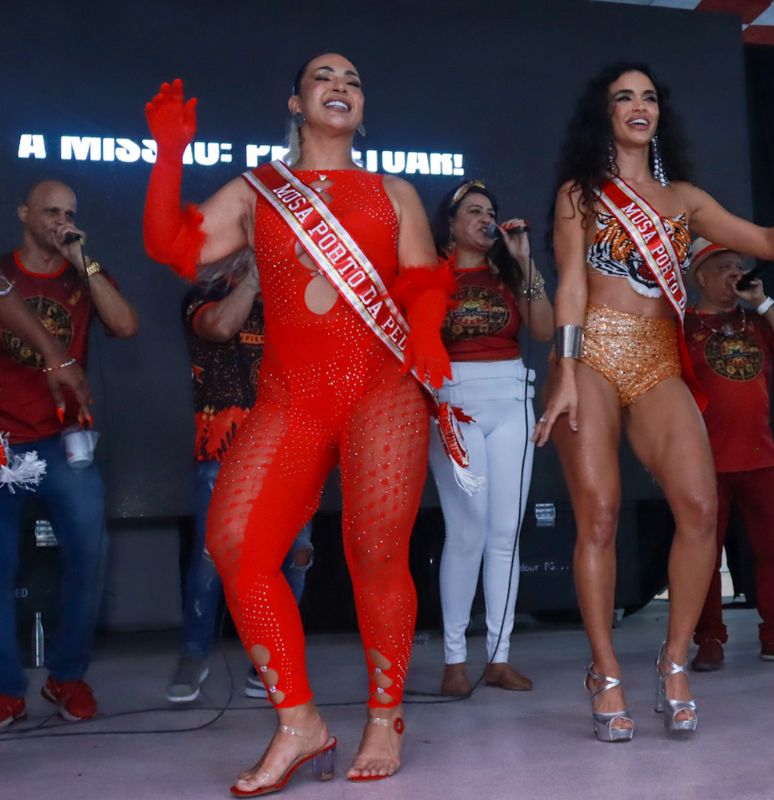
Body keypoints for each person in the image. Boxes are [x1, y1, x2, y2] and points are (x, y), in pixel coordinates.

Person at [142, 54, 456, 792]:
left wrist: (428, 330)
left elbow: (422, 279)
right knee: (235, 544)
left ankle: (386, 716)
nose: (341, 86)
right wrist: (169, 155)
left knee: (376, 553)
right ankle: (299, 723)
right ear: (296, 102)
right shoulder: (259, 191)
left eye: (353, 79)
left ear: (362, 107)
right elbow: (172, 245)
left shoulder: (394, 192)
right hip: (292, 398)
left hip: (383, 390)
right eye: (324, 77)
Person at [534, 63, 774, 741]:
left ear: (660, 114)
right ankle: (604, 671)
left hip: (658, 355)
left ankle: (674, 661)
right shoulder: (581, 193)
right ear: (604, 113)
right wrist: (563, 369)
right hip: (591, 351)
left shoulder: (683, 198)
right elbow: (570, 285)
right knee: (599, 515)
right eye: (624, 96)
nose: (639, 105)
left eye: (649, 97)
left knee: (701, 508)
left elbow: (764, 241)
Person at [0, 180, 138, 727]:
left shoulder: (82, 276)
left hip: (62, 443)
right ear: (24, 213)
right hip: (3, 443)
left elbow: (125, 324)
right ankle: (6, 689)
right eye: (51, 212)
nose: (61, 220)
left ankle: (67, 676)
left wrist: (83, 261)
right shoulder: (4, 273)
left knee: (89, 555)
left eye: (69, 213)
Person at [165, 249, 315, 704]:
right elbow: (221, 327)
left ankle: (269, 658)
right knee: (212, 557)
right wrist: (253, 278)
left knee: (295, 555)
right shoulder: (203, 295)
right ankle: (194, 654)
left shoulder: (291, 300)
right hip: (224, 446)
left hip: (288, 444)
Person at [427, 180, 552, 696]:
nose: (485, 218)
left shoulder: (508, 274)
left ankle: (498, 657)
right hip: (455, 402)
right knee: (468, 530)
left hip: (511, 399)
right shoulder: (429, 273)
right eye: (474, 211)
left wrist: (525, 261)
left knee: (505, 533)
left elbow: (543, 329)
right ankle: (455, 660)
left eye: (490, 212)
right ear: (451, 223)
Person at [682, 240, 774, 672]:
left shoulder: (756, 320)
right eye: (724, 267)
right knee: (705, 556)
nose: (735, 273)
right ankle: (708, 638)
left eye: (738, 266)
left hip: (760, 456)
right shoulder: (682, 326)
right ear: (700, 276)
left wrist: (762, 302)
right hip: (704, 460)